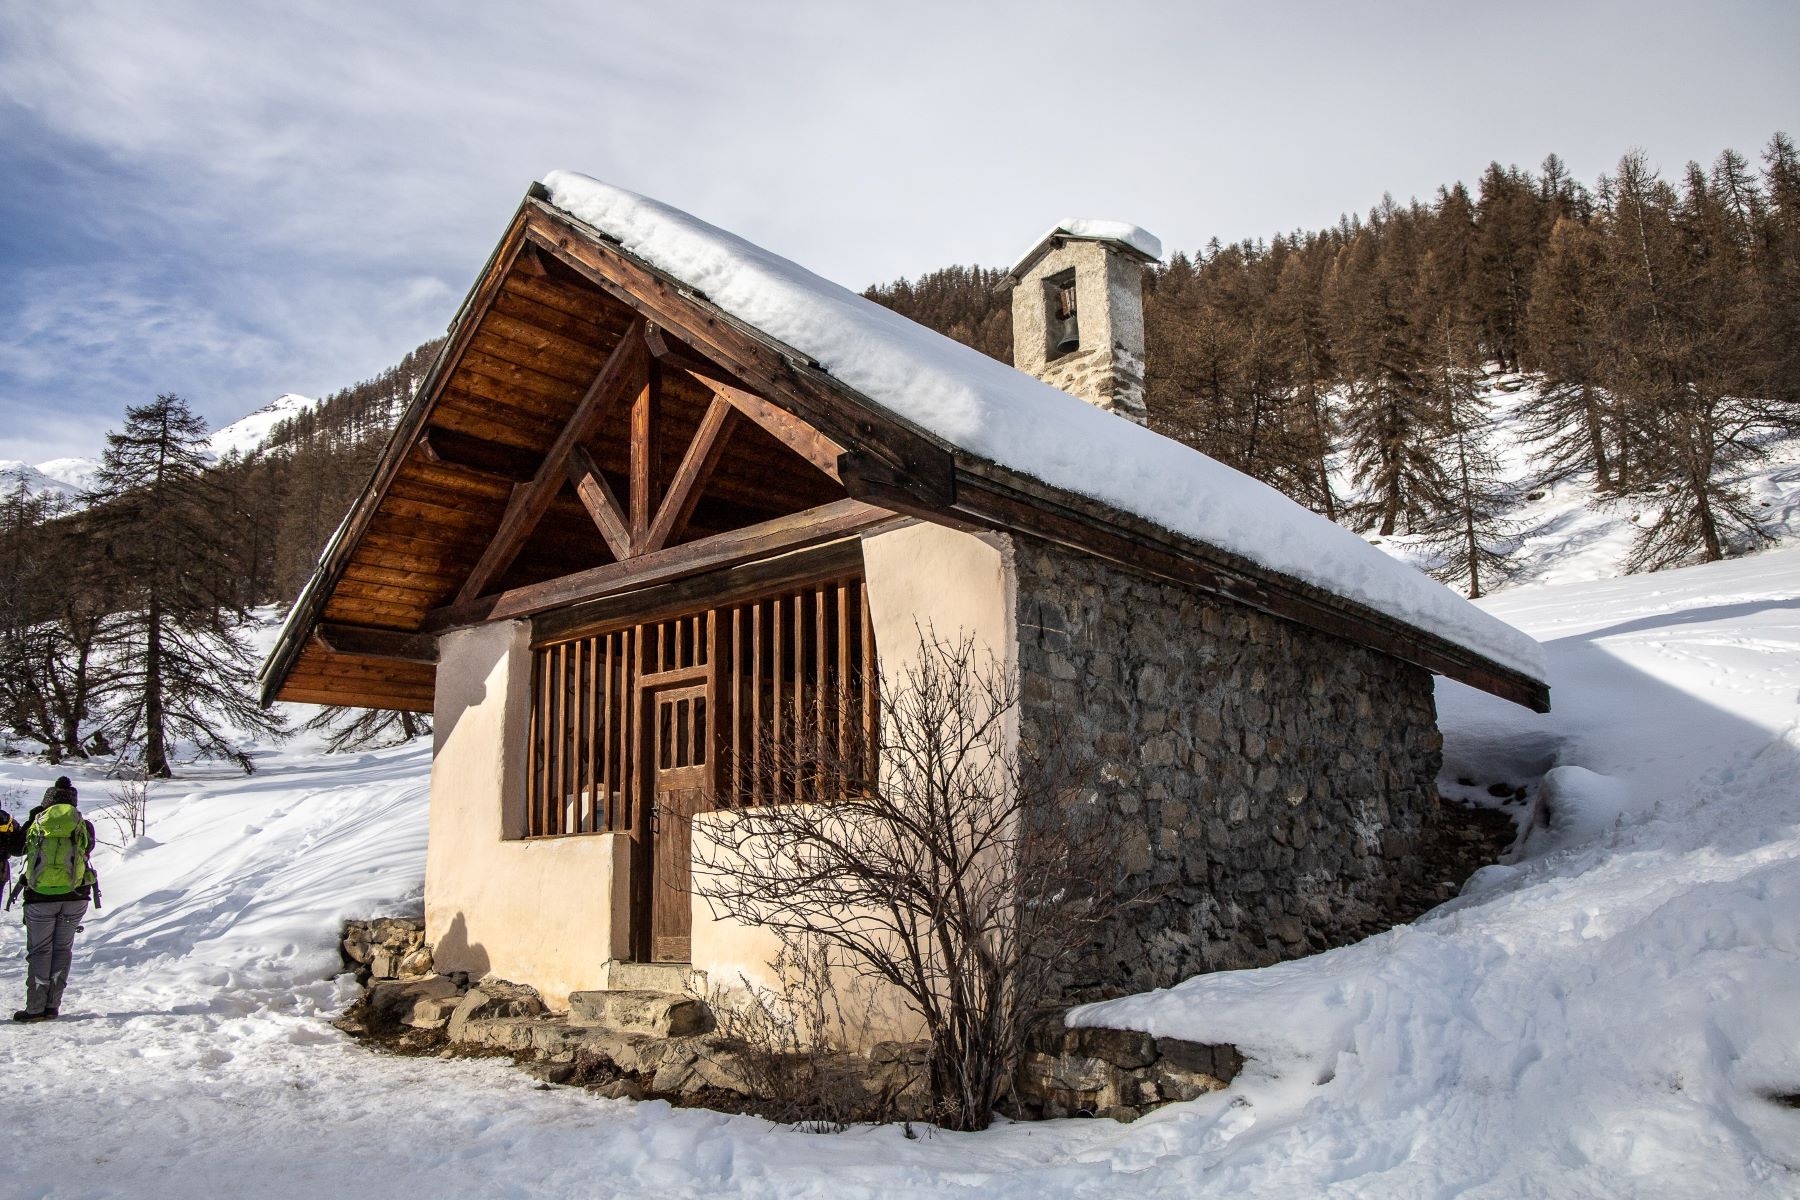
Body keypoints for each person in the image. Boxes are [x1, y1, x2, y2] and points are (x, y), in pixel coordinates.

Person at [5, 775, 100, 1022]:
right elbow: (88, 849)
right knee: (62, 949)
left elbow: (16, 849)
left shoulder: (37, 822)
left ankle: (35, 1008)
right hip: (76, 896)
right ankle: (52, 1006)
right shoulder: (83, 824)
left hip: (40, 898)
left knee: (40, 951)